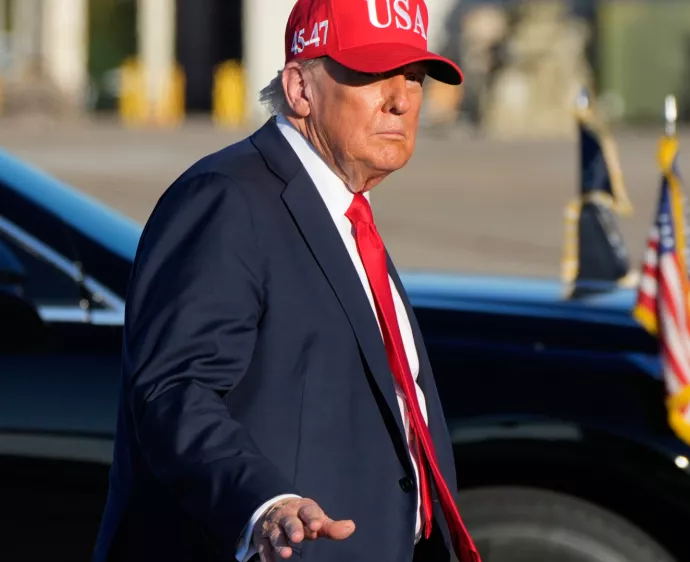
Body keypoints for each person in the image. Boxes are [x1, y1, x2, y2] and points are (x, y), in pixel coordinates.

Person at [91, 1, 480, 561]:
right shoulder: (227, 199)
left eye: (414, 79)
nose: (400, 100)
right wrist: (264, 505)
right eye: (373, 75)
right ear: (300, 89)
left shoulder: (345, 212)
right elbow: (175, 391)